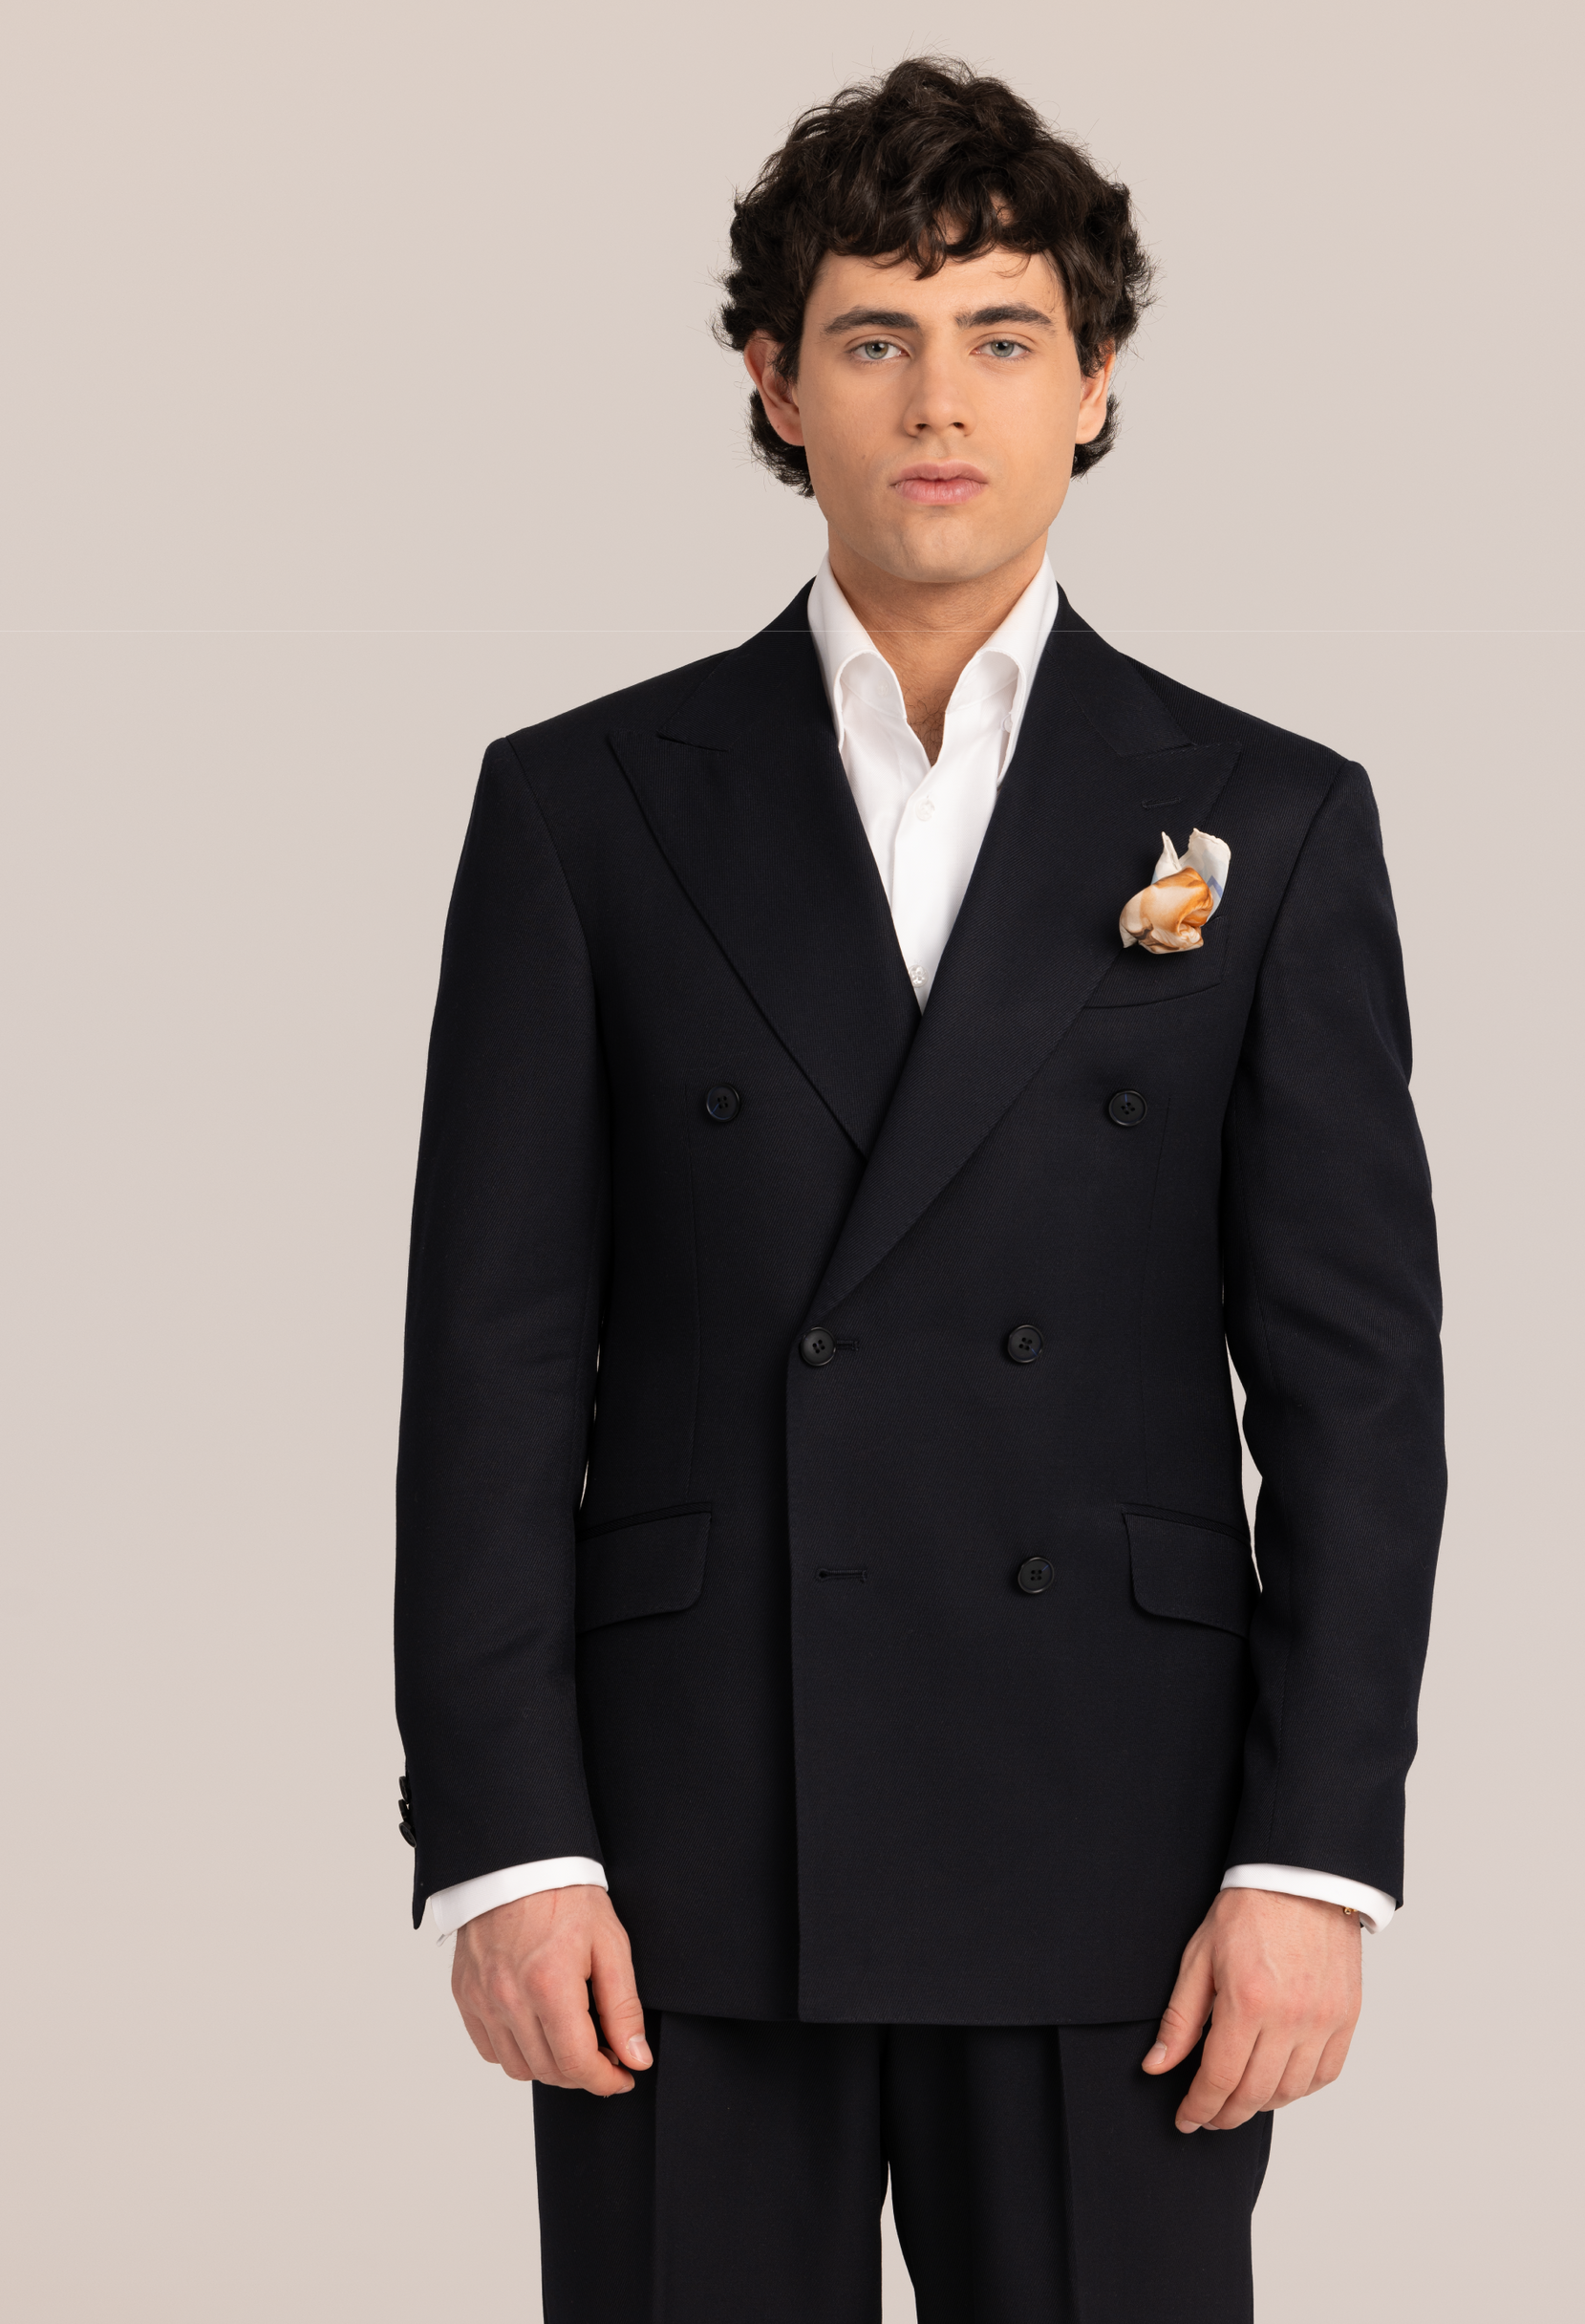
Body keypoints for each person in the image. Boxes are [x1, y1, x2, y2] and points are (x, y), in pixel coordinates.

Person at [394, 55, 1446, 2324]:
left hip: (1124, 1848)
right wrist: (506, 1836)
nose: (937, 400)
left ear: (1094, 382)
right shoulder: (585, 808)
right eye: (872, 337)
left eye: (1001, 336)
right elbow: (489, 1366)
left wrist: (1310, 1856)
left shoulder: (1267, 819)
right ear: (776, 387)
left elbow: (1357, 1392)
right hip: (680, 1844)